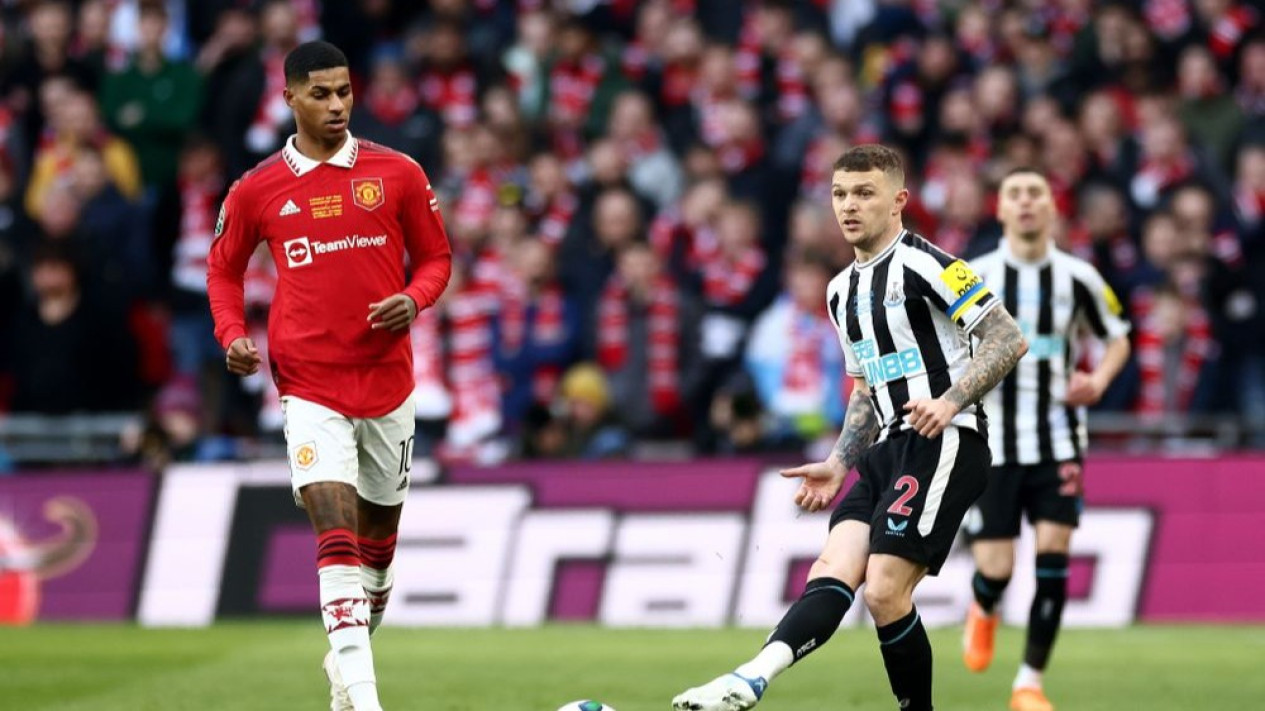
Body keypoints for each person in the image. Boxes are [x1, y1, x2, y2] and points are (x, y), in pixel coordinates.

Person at [672, 144, 1028, 711]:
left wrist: (950, 401)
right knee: (832, 569)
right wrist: (839, 462)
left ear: (899, 201)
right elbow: (865, 390)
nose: (849, 206)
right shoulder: (840, 292)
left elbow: (1007, 338)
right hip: (883, 451)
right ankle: (750, 677)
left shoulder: (933, 265)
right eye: (839, 194)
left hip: (945, 441)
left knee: (884, 588)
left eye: (864, 193)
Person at [205, 41, 452, 711]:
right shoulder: (257, 188)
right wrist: (232, 334)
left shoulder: (397, 172)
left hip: (388, 384)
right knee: (335, 534)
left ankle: (345, 674)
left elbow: (437, 258)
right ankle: (368, 703)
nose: (337, 104)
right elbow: (223, 270)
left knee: (377, 566)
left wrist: (415, 298)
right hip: (309, 384)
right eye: (321, 93)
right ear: (289, 98)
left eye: (344, 91)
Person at [962, 169, 1131, 711]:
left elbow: (1119, 337)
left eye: (1035, 193)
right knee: (997, 568)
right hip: (993, 443)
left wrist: (1097, 381)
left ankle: (1029, 683)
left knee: (1054, 556)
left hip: (1059, 439)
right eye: (1015, 194)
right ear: (1000, 209)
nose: (1026, 202)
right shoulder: (973, 276)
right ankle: (983, 605)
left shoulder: (1079, 277)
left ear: (1053, 207)